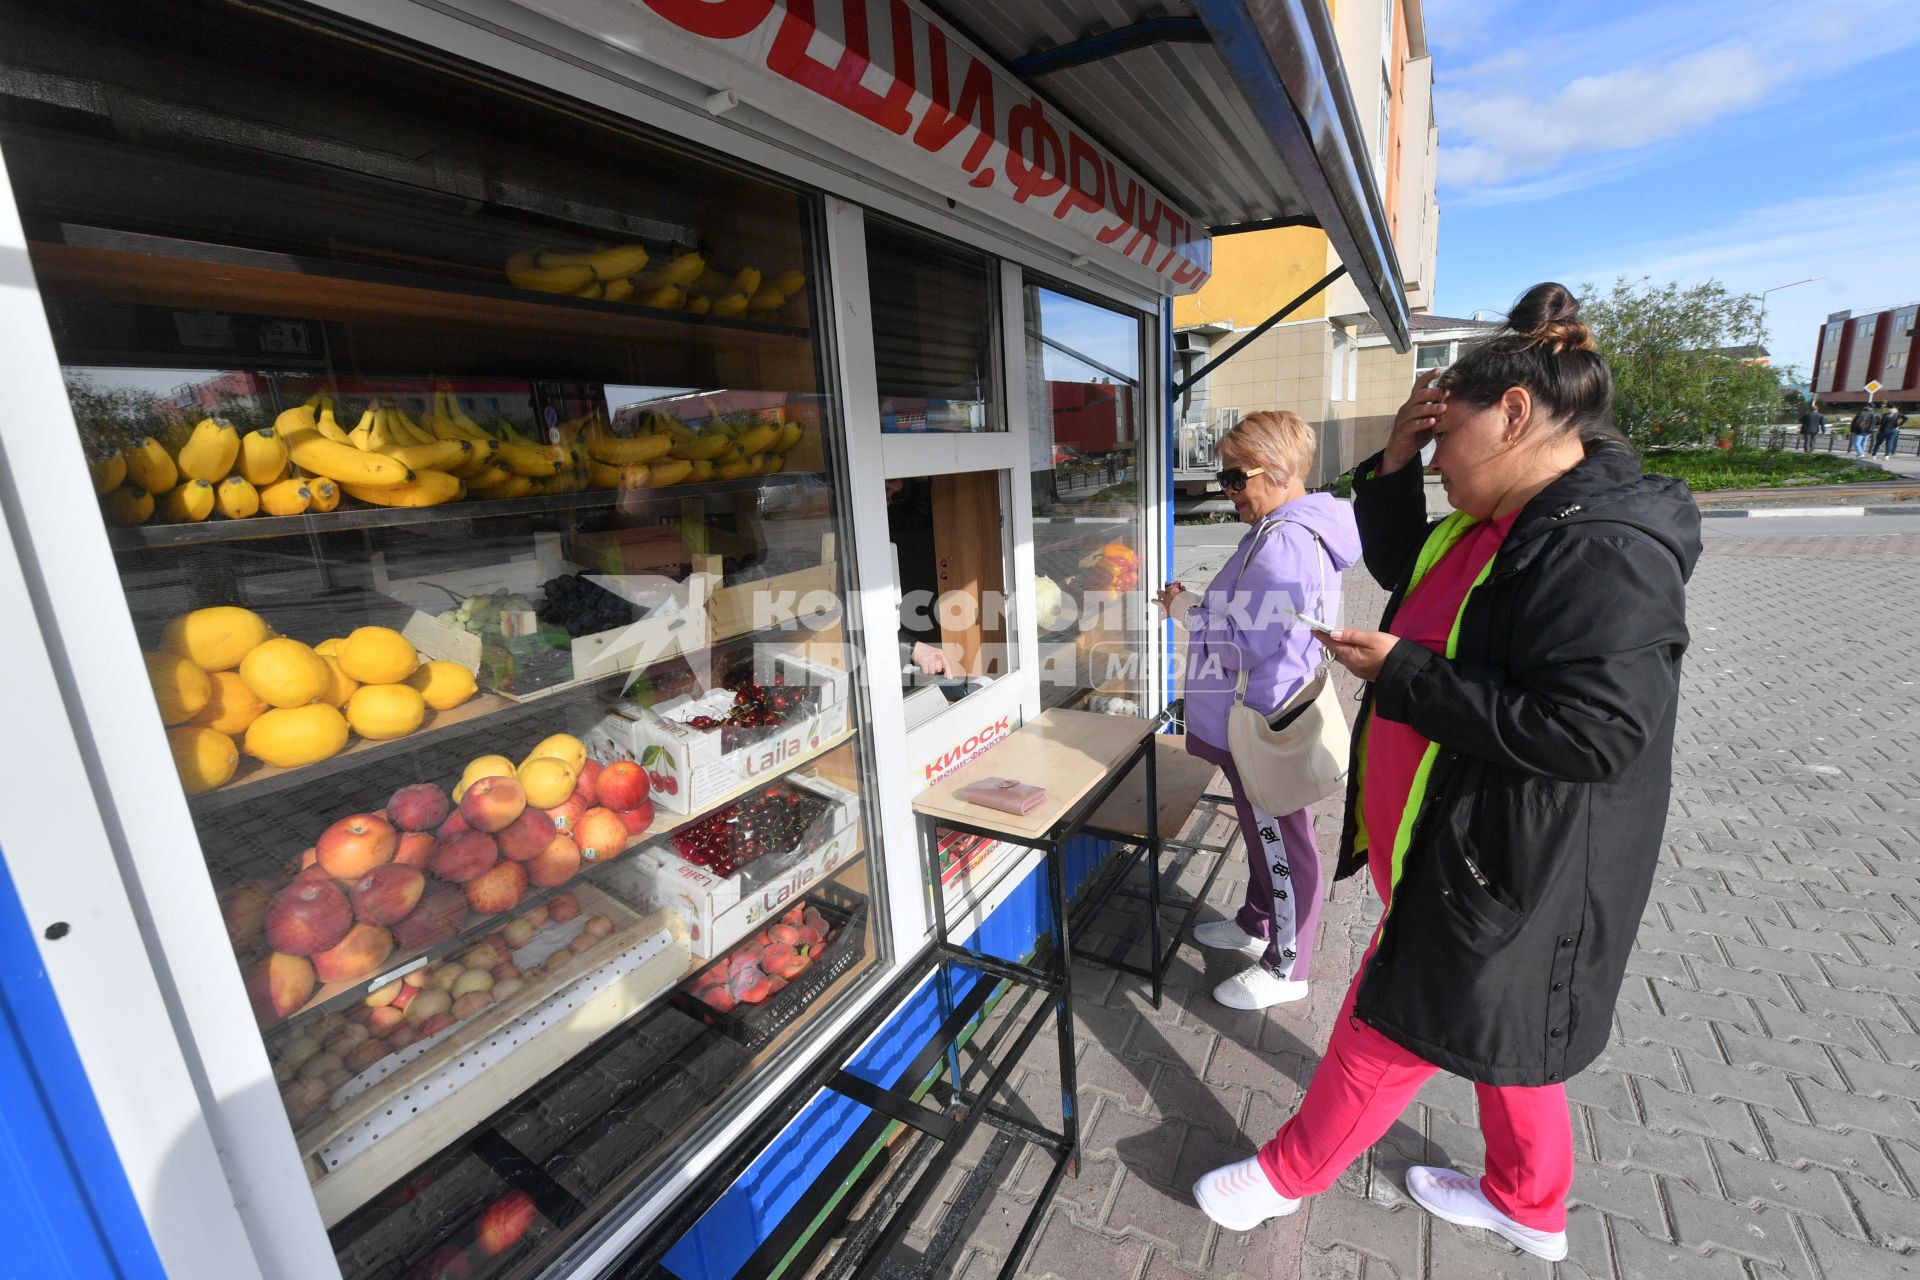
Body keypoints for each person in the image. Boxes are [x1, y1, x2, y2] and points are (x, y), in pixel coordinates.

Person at [1191, 283, 1701, 1262]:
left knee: (1396, 1013)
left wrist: (1408, 674)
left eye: (1444, 436)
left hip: (1508, 858)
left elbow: (1597, 730)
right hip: (1481, 848)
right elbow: (1407, 564)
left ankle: (1286, 1173)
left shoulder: (1598, 545)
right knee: (1509, 1031)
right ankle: (1528, 1200)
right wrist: (1393, 461)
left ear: (1513, 414)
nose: (1437, 459)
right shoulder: (1501, 515)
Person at [1155, 411, 1360, 1010]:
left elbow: (1245, 641)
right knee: (1261, 830)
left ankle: (1286, 966)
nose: (1227, 490)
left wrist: (1184, 611)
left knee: (1281, 839)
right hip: (1253, 713)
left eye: (1234, 478)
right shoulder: (1281, 529)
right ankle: (1255, 921)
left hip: (1261, 719)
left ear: (1273, 471)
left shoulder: (1286, 540)